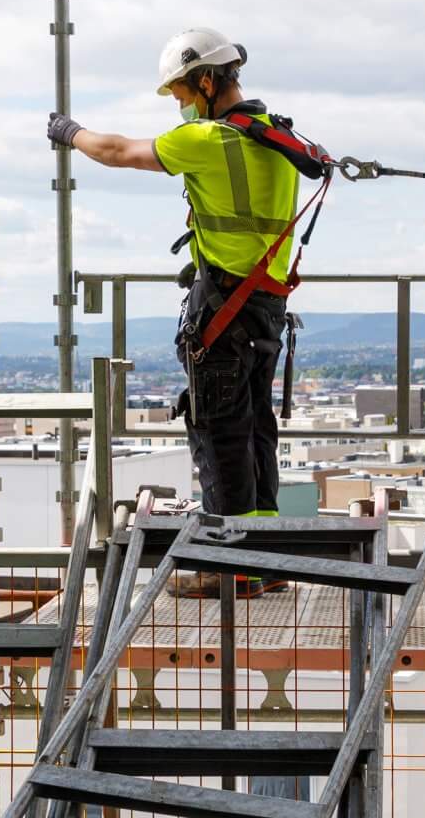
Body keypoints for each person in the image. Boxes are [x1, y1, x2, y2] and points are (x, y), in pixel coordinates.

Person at [47, 28, 306, 520]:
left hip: (224, 311)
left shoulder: (209, 139)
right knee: (255, 428)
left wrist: (70, 133)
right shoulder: (280, 138)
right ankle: (264, 554)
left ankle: (234, 570)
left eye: (182, 94)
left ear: (206, 82)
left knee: (220, 431)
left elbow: (118, 151)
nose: (180, 107)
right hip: (267, 307)